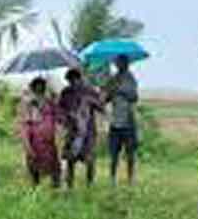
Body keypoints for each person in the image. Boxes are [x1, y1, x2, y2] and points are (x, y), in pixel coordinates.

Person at [59, 68, 103, 188]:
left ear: (80, 79)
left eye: (74, 80)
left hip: (88, 131)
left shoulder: (90, 91)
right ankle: (70, 185)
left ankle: (90, 184)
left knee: (89, 159)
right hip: (72, 131)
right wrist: (67, 116)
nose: (72, 83)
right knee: (70, 159)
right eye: (70, 81)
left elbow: (101, 107)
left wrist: (92, 100)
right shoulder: (65, 92)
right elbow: (60, 110)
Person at [19, 77, 61, 188]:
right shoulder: (28, 104)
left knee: (54, 167)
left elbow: (58, 116)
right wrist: (26, 144)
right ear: (33, 88)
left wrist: (54, 99)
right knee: (34, 164)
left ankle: (55, 189)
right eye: (37, 86)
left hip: (49, 142)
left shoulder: (49, 102)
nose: (39, 88)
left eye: (41, 85)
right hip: (34, 140)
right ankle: (35, 188)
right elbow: (24, 124)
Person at [104, 55, 139, 186]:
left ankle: (130, 179)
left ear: (127, 64)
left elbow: (134, 97)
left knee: (130, 153)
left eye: (122, 62)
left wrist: (121, 90)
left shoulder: (131, 79)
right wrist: (109, 91)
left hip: (128, 121)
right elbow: (106, 98)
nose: (119, 65)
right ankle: (112, 179)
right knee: (114, 153)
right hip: (115, 121)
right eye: (118, 63)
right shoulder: (112, 79)